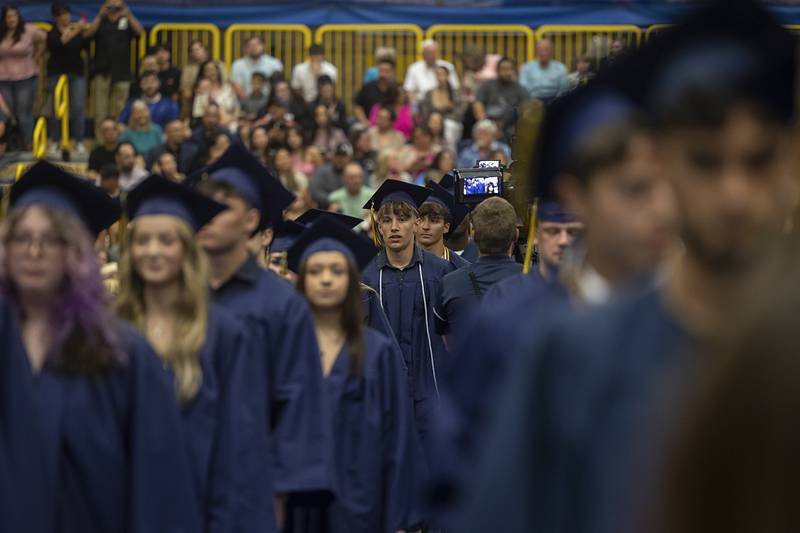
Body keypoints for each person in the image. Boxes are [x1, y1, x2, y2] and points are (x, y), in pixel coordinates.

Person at [461, 3, 798, 533]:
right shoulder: (573, 356)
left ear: (792, 164)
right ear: (661, 166)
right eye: (706, 161)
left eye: (759, 161)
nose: (735, 195)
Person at [0, 161, 201, 533]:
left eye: (53, 239)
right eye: (21, 237)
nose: (34, 249)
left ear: (75, 252)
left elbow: (160, 488)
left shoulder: (120, 353)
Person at [117, 175, 276, 532]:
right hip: (121, 505)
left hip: (201, 505)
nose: (153, 251)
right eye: (142, 240)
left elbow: (240, 445)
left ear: (187, 250)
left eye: (166, 240)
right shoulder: (108, 333)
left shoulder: (224, 333)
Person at [189, 144, 332, 525]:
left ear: (252, 220)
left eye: (223, 208)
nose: (207, 216)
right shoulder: (181, 298)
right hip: (181, 482)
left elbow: (298, 410)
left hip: (251, 489)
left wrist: (279, 499)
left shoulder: (283, 305)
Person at [287, 216, 422, 533]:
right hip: (298, 501)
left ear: (352, 280)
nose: (326, 280)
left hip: (361, 499)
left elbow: (398, 439)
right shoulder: (285, 349)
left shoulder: (377, 353)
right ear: (302, 280)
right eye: (316, 271)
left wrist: (400, 519)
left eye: (336, 271)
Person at [361, 179, 451, 462]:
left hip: (430, 390)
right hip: (382, 392)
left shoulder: (441, 272)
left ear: (416, 222)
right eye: (386, 220)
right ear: (378, 226)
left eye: (402, 218)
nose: (394, 227)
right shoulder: (364, 275)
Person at [434, 196, 521, 339]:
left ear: (472, 234)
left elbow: (447, 340)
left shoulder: (450, 284)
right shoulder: (535, 282)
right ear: (516, 235)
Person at [84, 0, 144, 126]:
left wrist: (128, 15)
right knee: (100, 109)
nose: (114, 9)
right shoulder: (101, 21)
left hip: (122, 71)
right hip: (102, 70)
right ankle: (101, 142)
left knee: (120, 108)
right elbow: (88, 35)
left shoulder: (126, 21)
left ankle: (119, 140)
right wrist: (100, 15)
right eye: (110, 6)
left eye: (117, 6)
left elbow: (140, 32)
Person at [46, 2, 89, 155]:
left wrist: (82, 32)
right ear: (55, 17)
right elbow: (59, 43)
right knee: (56, 108)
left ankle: (79, 141)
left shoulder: (76, 30)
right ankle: (55, 141)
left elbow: (85, 45)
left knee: (77, 107)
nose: (65, 17)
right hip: (56, 73)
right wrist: (77, 29)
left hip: (76, 73)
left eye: (67, 14)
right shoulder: (52, 33)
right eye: (62, 14)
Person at [0, 5, 45, 149]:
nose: (11, 19)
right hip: (4, 78)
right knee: (6, 113)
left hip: (25, 77)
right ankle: (6, 144)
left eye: (14, 16)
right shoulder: (2, 32)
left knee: (24, 112)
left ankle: (29, 142)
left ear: (18, 17)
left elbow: (45, 37)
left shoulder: (28, 30)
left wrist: (37, 56)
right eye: (8, 16)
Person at [416, 180, 471, 270]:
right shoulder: (400, 265)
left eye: (434, 221)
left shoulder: (462, 268)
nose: (425, 227)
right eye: (420, 220)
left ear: (446, 227)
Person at [472, 56, 528, 141]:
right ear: (497, 70)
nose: (507, 72)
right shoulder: (488, 85)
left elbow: (527, 109)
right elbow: (477, 103)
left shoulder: (520, 89)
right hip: (489, 121)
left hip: (510, 125)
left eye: (510, 69)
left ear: (514, 71)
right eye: (504, 69)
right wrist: (486, 123)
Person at [533, 201, 584, 282]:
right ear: (535, 236)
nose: (563, 241)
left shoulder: (603, 292)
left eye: (574, 232)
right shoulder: (512, 292)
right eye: (552, 231)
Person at [404, 39, 459, 104]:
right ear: (423, 54)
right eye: (428, 53)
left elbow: (455, 87)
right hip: (422, 103)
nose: (431, 55)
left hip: (444, 102)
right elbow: (410, 90)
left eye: (433, 52)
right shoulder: (414, 68)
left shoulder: (448, 66)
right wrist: (414, 107)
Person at [180, 39, 225, 118]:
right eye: (193, 51)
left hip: (220, 100)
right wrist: (197, 91)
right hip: (196, 101)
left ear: (205, 50)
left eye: (198, 49)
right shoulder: (188, 70)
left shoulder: (219, 64)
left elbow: (225, 84)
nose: (196, 52)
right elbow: (186, 93)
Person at [192, 60, 240, 131]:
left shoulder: (228, 88)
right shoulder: (202, 90)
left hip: (231, 122)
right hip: (211, 126)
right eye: (208, 70)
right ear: (203, 73)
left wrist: (229, 120)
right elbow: (198, 114)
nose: (212, 72)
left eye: (214, 69)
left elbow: (237, 109)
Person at [231, 36, 283, 100]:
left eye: (257, 45)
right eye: (250, 45)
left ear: (263, 46)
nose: (254, 48)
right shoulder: (237, 65)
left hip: (270, 102)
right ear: (245, 49)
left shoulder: (275, 63)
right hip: (245, 102)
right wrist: (248, 103)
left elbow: (279, 85)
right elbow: (237, 86)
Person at [519, 38, 569, 103]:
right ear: (536, 51)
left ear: (552, 51)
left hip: (555, 101)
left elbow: (563, 89)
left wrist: (556, 102)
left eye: (547, 49)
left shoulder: (561, 68)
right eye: (540, 49)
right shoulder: (526, 67)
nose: (543, 52)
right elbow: (523, 88)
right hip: (532, 102)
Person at [271, 146, 311, 220]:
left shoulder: (299, 176)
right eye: (280, 159)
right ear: (275, 162)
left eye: (286, 157)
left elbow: (304, 196)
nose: (284, 161)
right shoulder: (273, 179)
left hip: (301, 210)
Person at [354, 57, 395, 126]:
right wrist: (365, 122)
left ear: (392, 72)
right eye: (381, 71)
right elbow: (357, 106)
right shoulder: (368, 87)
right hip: (370, 126)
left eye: (387, 71)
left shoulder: (396, 89)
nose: (383, 75)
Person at [310, 142, 352, 208]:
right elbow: (315, 192)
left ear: (349, 158)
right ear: (333, 156)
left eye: (343, 156)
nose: (340, 159)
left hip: (352, 206)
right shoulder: (322, 171)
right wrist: (332, 199)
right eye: (337, 156)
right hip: (326, 208)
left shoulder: (356, 172)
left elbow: (366, 190)